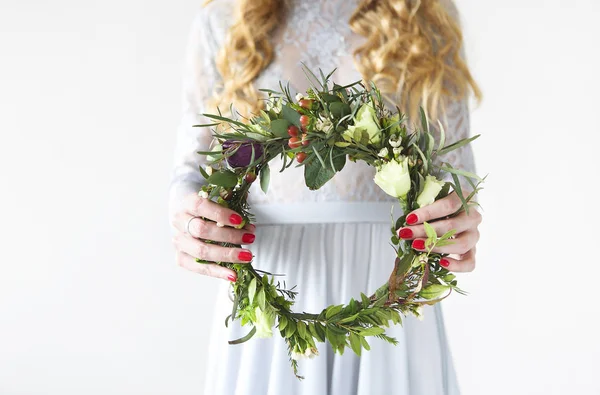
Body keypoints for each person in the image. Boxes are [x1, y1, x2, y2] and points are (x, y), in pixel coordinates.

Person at [168, 0, 483, 394]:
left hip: (388, 279)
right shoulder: (223, 21)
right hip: (270, 280)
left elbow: (454, 174)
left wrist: (457, 221)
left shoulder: (427, 17)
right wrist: (188, 214)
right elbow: (190, 169)